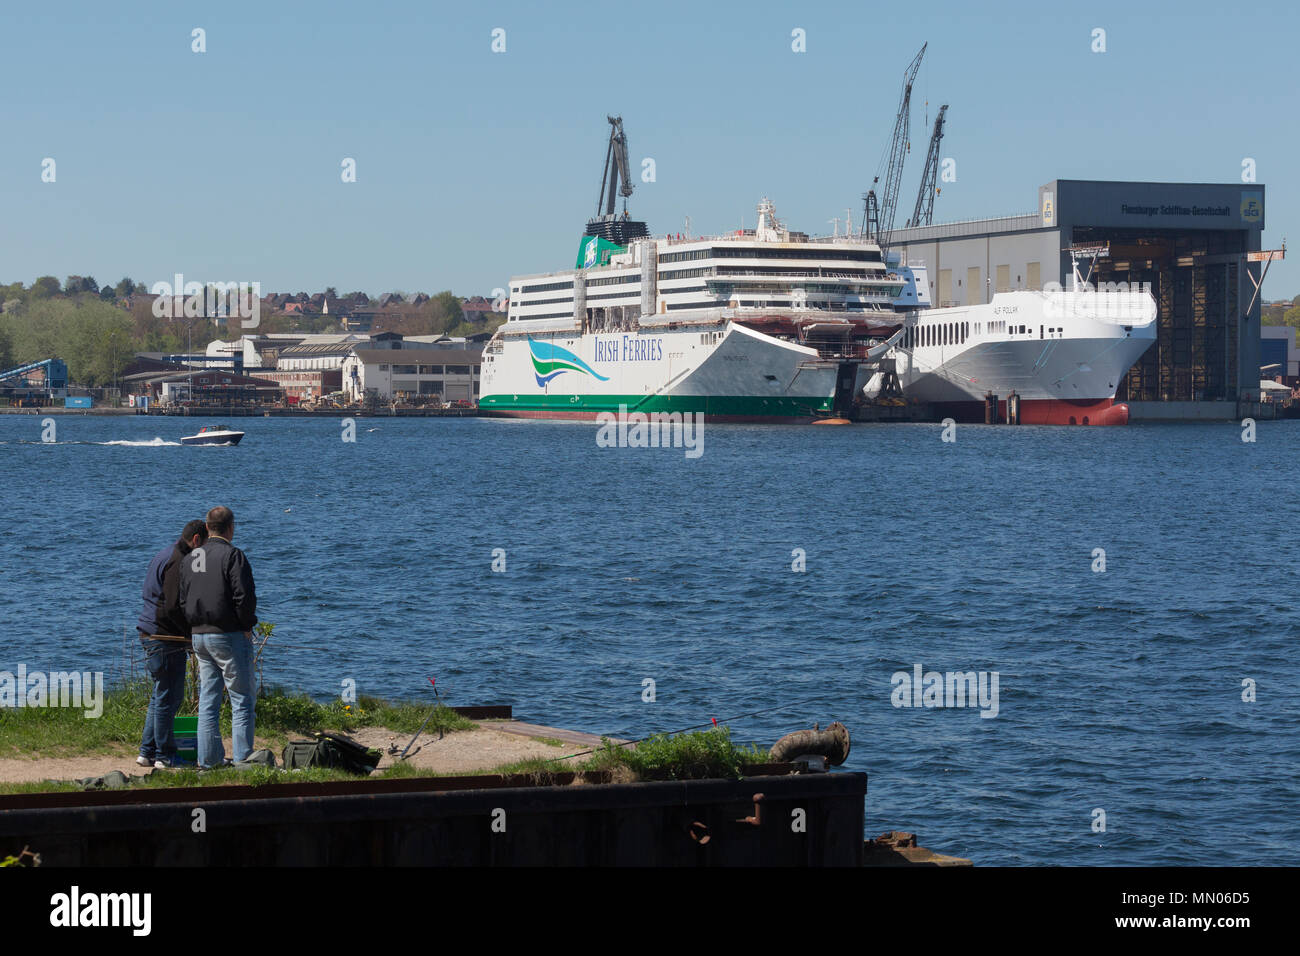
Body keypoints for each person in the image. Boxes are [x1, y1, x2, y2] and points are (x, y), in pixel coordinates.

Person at [179, 505, 258, 768]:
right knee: (242, 700)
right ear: (231, 527)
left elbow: (183, 599)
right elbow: (243, 597)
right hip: (228, 635)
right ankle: (243, 760)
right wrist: (247, 625)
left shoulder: (190, 557)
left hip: (199, 635)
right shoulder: (233, 555)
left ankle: (208, 761)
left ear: (207, 526)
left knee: (208, 700)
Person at [136, 519, 208, 769]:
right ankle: (166, 755)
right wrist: (191, 636)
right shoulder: (180, 561)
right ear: (197, 540)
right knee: (170, 697)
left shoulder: (165, 553)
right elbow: (172, 606)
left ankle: (147, 751)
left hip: (151, 633)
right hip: (165, 637)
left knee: (160, 695)